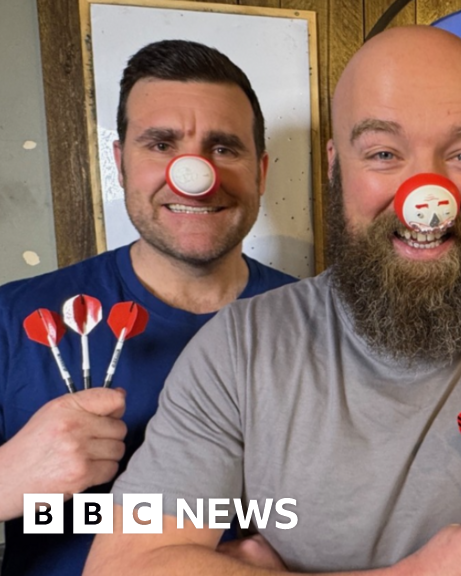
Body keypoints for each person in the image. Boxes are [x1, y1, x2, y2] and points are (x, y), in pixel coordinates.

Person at [84, 26, 461, 575]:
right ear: (336, 165)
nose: (426, 197)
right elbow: (123, 567)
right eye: (384, 153)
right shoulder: (237, 349)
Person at [0, 40, 295, 575]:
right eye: (161, 145)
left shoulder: (322, 325)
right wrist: (4, 480)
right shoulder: (12, 319)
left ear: (261, 171)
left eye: (224, 148)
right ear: (120, 163)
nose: (194, 176)